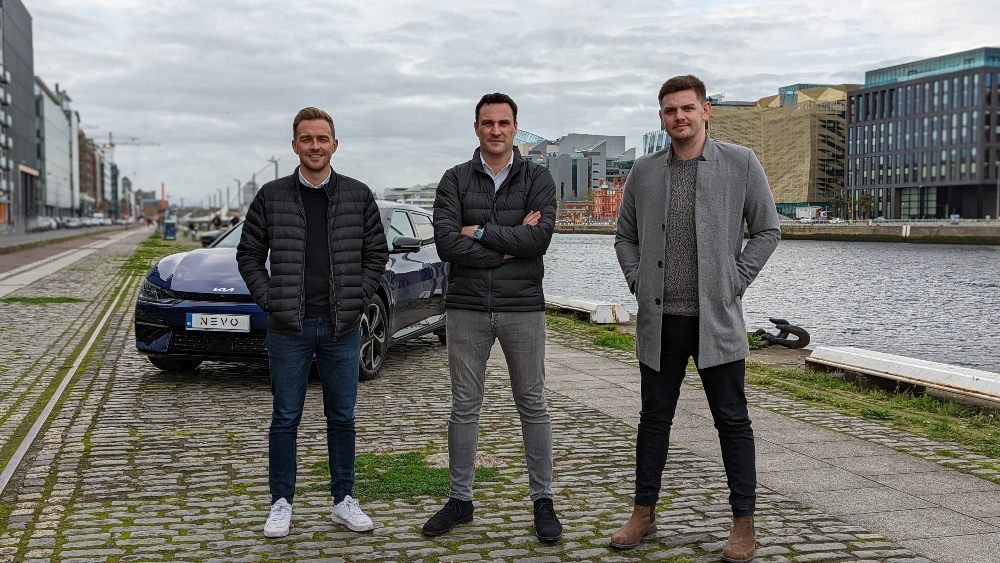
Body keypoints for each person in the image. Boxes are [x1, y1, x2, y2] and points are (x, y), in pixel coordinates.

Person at [611, 75, 780, 562]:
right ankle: (643, 512)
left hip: (717, 320)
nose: (678, 117)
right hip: (660, 321)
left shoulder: (740, 162)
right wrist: (638, 279)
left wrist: (736, 279)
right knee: (653, 419)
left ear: (706, 111)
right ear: (661, 117)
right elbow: (625, 236)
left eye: (687, 108)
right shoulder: (644, 171)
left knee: (732, 420)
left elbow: (768, 230)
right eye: (669, 111)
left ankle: (743, 523)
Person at [237, 107, 388, 539]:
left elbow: (376, 255)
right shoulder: (271, 196)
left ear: (335, 145)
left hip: (342, 328)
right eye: (307, 139)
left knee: (343, 418)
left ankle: (343, 500)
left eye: (323, 139)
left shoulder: (358, 196)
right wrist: (271, 301)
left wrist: (357, 299)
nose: (315, 146)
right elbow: (249, 254)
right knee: (285, 417)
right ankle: (281, 502)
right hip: (289, 330)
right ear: (295, 145)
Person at [423, 93, 561, 543]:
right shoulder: (455, 179)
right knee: (464, 407)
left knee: (533, 403)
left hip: (522, 308)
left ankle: (543, 500)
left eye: (504, 122)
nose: (496, 130)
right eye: (488, 123)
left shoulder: (539, 177)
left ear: (515, 127)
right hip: (466, 308)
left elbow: (538, 239)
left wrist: (481, 232)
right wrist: (509, 244)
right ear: (476, 127)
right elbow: (446, 243)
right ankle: (460, 499)